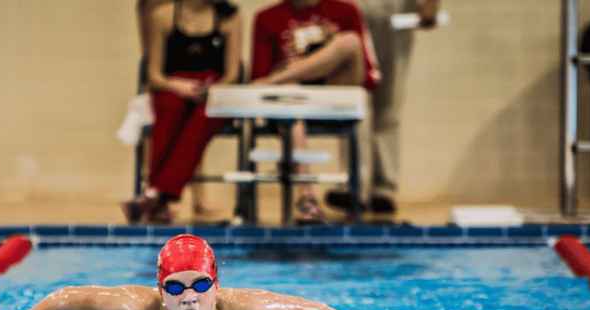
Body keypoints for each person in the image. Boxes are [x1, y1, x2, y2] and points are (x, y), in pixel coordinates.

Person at [6, 234, 378, 310]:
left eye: (200, 286)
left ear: (216, 287)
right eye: (175, 287)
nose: (189, 297)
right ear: (160, 291)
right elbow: (66, 298)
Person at [250, 0, 380, 223]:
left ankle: (284, 77)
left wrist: (288, 73)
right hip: (293, 100)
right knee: (290, 101)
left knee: (348, 42)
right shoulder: (266, 17)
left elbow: (365, 73)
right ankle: (306, 198)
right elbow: (257, 75)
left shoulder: (346, 11)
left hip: (335, 93)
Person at [123, 0, 242, 224]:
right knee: (169, 107)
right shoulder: (162, 15)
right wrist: (178, 86)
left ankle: (155, 194)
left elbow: (233, 74)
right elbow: (154, 75)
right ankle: (160, 197)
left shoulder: (229, 17)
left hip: (214, 90)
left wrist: (212, 89)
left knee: (204, 115)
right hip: (174, 86)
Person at [325, 0, 439, 216]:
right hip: (353, 8)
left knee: (388, 104)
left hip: (396, 12)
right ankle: (353, 183)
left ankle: (383, 187)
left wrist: (431, 4)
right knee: (353, 102)